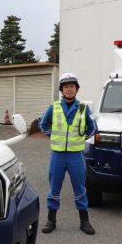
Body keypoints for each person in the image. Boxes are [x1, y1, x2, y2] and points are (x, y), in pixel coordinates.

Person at [39, 72, 97, 235]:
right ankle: (51, 220)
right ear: (62, 90)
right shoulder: (54, 107)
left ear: (77, 89)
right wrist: (54, 137)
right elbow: (43, 125)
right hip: (57, 155)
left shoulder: (83, 108)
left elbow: (93, 128)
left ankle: (84, 221)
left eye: (72, 86)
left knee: (80, 188)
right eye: (66, 87)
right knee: (54, 188)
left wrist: (80, 139)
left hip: (75, 155)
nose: (69, 89)